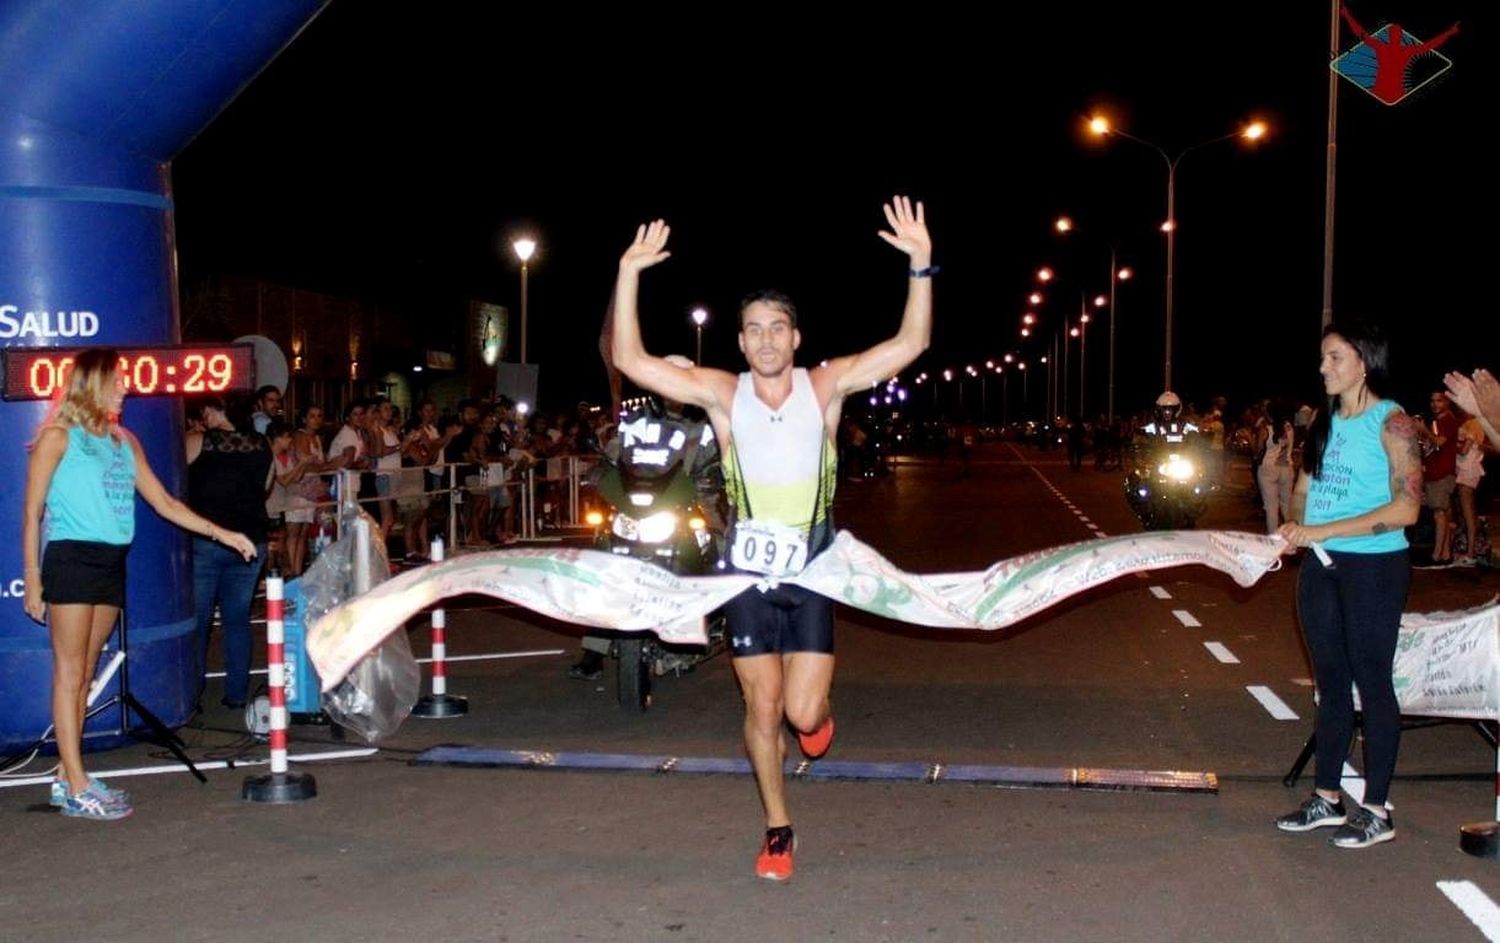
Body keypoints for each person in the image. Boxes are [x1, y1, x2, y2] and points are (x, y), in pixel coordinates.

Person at [608, 196, 933, 880]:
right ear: (740, 341)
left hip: (812, 568)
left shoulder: (826, 386)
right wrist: (628, 271)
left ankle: (814, 723)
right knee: (761, 705)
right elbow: (633, 360)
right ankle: (778, 828)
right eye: (752, 329)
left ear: (795, 337)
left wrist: (921, 266)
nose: (764, 340)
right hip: (746, 574)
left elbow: (910, 346)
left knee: (802, 710)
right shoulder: (725, 395)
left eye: (776, 329)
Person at [22, 348, 256, 821]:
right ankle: (77, 783)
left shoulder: (124, 440)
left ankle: (67, 777)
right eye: (118, 380)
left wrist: (222, 532)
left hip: (111, 561)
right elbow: (33, 513)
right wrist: (32, 578)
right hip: (71, 559)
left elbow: (166, 503)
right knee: (69, 674)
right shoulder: (57, 436)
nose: (126, 387)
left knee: (86, 672)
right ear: (93, 383)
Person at [1275, 321, 1421, 849]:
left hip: (1374, 570)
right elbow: (1303, 489)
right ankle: (1328, 797)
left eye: (1334, 357)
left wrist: (1321, 529)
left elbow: (1408, 508)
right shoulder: (1323, 421)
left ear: (1364, 361)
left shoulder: (1394, 423)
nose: (1323, 367)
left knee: (1372, 681)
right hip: (1320, 565)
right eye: (1322, 358)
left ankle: (1379, 809)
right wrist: (1293, 527)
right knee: (1330, 683)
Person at [185, 396, 273, 710]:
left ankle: (191, 694)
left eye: (203, 411)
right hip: (250, 541)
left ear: (213, 410)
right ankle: (236, 693)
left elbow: (172, 482)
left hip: (208, 540)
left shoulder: (197, 442)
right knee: (237, 620)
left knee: (200, 621)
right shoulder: (262, 444)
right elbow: (265, 486)